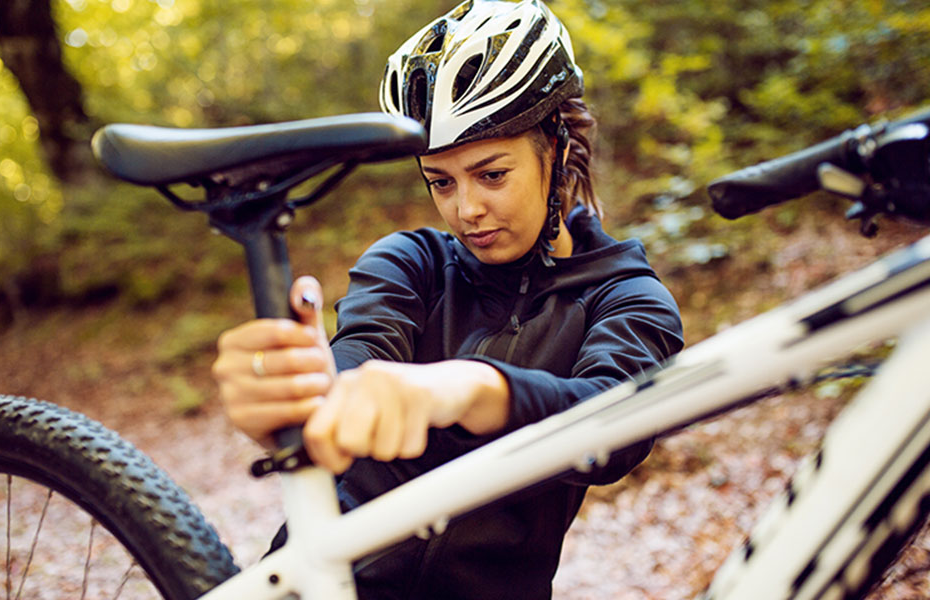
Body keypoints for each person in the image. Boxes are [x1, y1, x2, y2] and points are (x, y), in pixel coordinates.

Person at [212, 0, 684, 598]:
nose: (466, 210)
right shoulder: (412, 264)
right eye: (441, 181)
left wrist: (475, 388)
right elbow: (358, 354)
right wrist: (305, 391)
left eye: (491, 175)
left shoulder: (628, 297)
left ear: (558, 154)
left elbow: (617, 424)